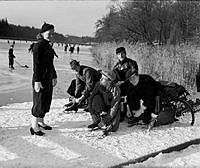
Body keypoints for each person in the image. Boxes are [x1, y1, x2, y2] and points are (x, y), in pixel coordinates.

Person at [30, 22, 57, 136]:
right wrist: (37, 80)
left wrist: (54, 76)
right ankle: (34, 126)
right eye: (49, 33)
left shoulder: (48, 45)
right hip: (40, 78)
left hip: (48, 77)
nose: (51, 35)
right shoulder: (39, 45)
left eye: (52, 33)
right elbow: (36, 64)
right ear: (42, 33)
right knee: (39, 102)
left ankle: (41, 122)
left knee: (46, 100)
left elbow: (51, 63)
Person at [88, 70, 121, 134]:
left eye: (103, 78)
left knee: (113, 128)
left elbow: (114, 108)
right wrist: (92, 113)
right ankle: (97, 120)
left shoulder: (116, 90)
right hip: (102, 107)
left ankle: (104, 122)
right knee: (96, 98)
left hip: (110, 110)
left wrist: (105, 120)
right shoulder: (98, 84)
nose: (100, 79)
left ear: (109, 81)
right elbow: (91, 98)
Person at [112, 47, 138, 121]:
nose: (121, 55)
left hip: (131, 84)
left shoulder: (131, 63)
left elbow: (134, 75)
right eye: (119, 54)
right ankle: (119, 112)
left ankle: (133, 113)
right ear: (117, 55)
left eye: (122, 53)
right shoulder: (116, 66)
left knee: (130, 94)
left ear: (125, 53)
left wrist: (124, 81)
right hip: (120, 86)